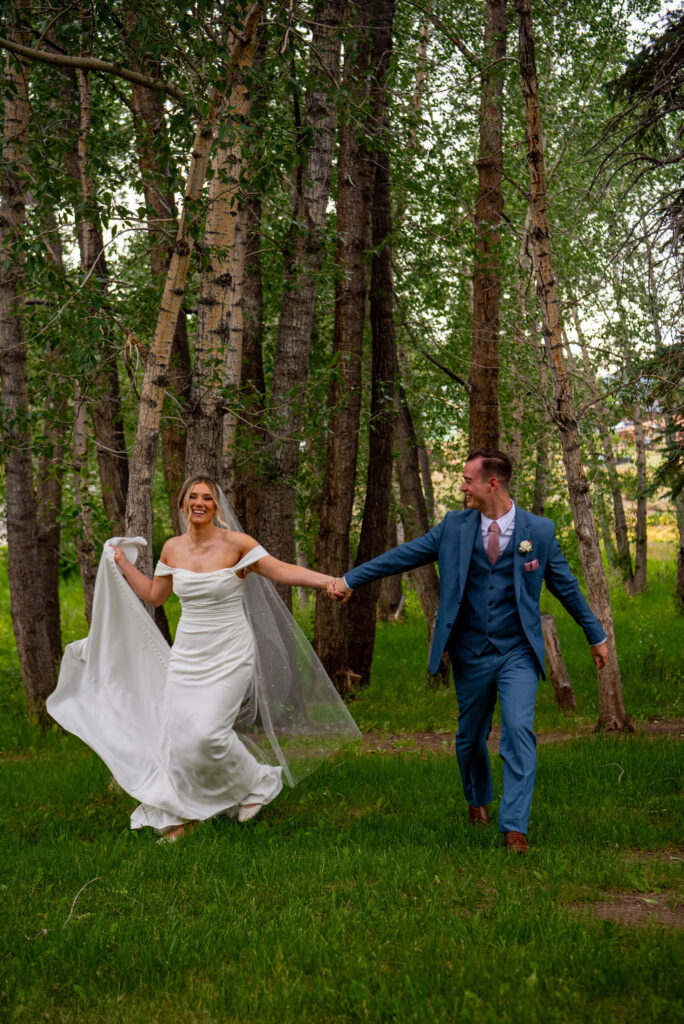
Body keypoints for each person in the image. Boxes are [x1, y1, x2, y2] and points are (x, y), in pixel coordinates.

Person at [47, 475, 357, 842]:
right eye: (192, 497)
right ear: (182, 505)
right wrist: (120, 562)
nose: (199, 502)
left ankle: (257, 781)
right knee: (177, 739)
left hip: (230, 653)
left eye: (207, 498)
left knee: (208, 733)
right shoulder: (172, 549)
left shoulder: (238, 545)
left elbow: (280, 570)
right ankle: (181, 818)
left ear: (216, 506)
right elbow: (154, 595)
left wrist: (327, 582)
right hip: (187, 656)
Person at [329, 449, 608, 853]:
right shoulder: (454, 527)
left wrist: (594, 635)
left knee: (518, 729)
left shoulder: (539, 532)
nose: (462, 487)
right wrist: (351, 580)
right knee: (470, 737)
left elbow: (566, 587)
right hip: (471, 649)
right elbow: (402, 556)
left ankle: (514, 827)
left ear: (491, 483)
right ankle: (477, 799)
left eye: (467, 480)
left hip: (518, 651)